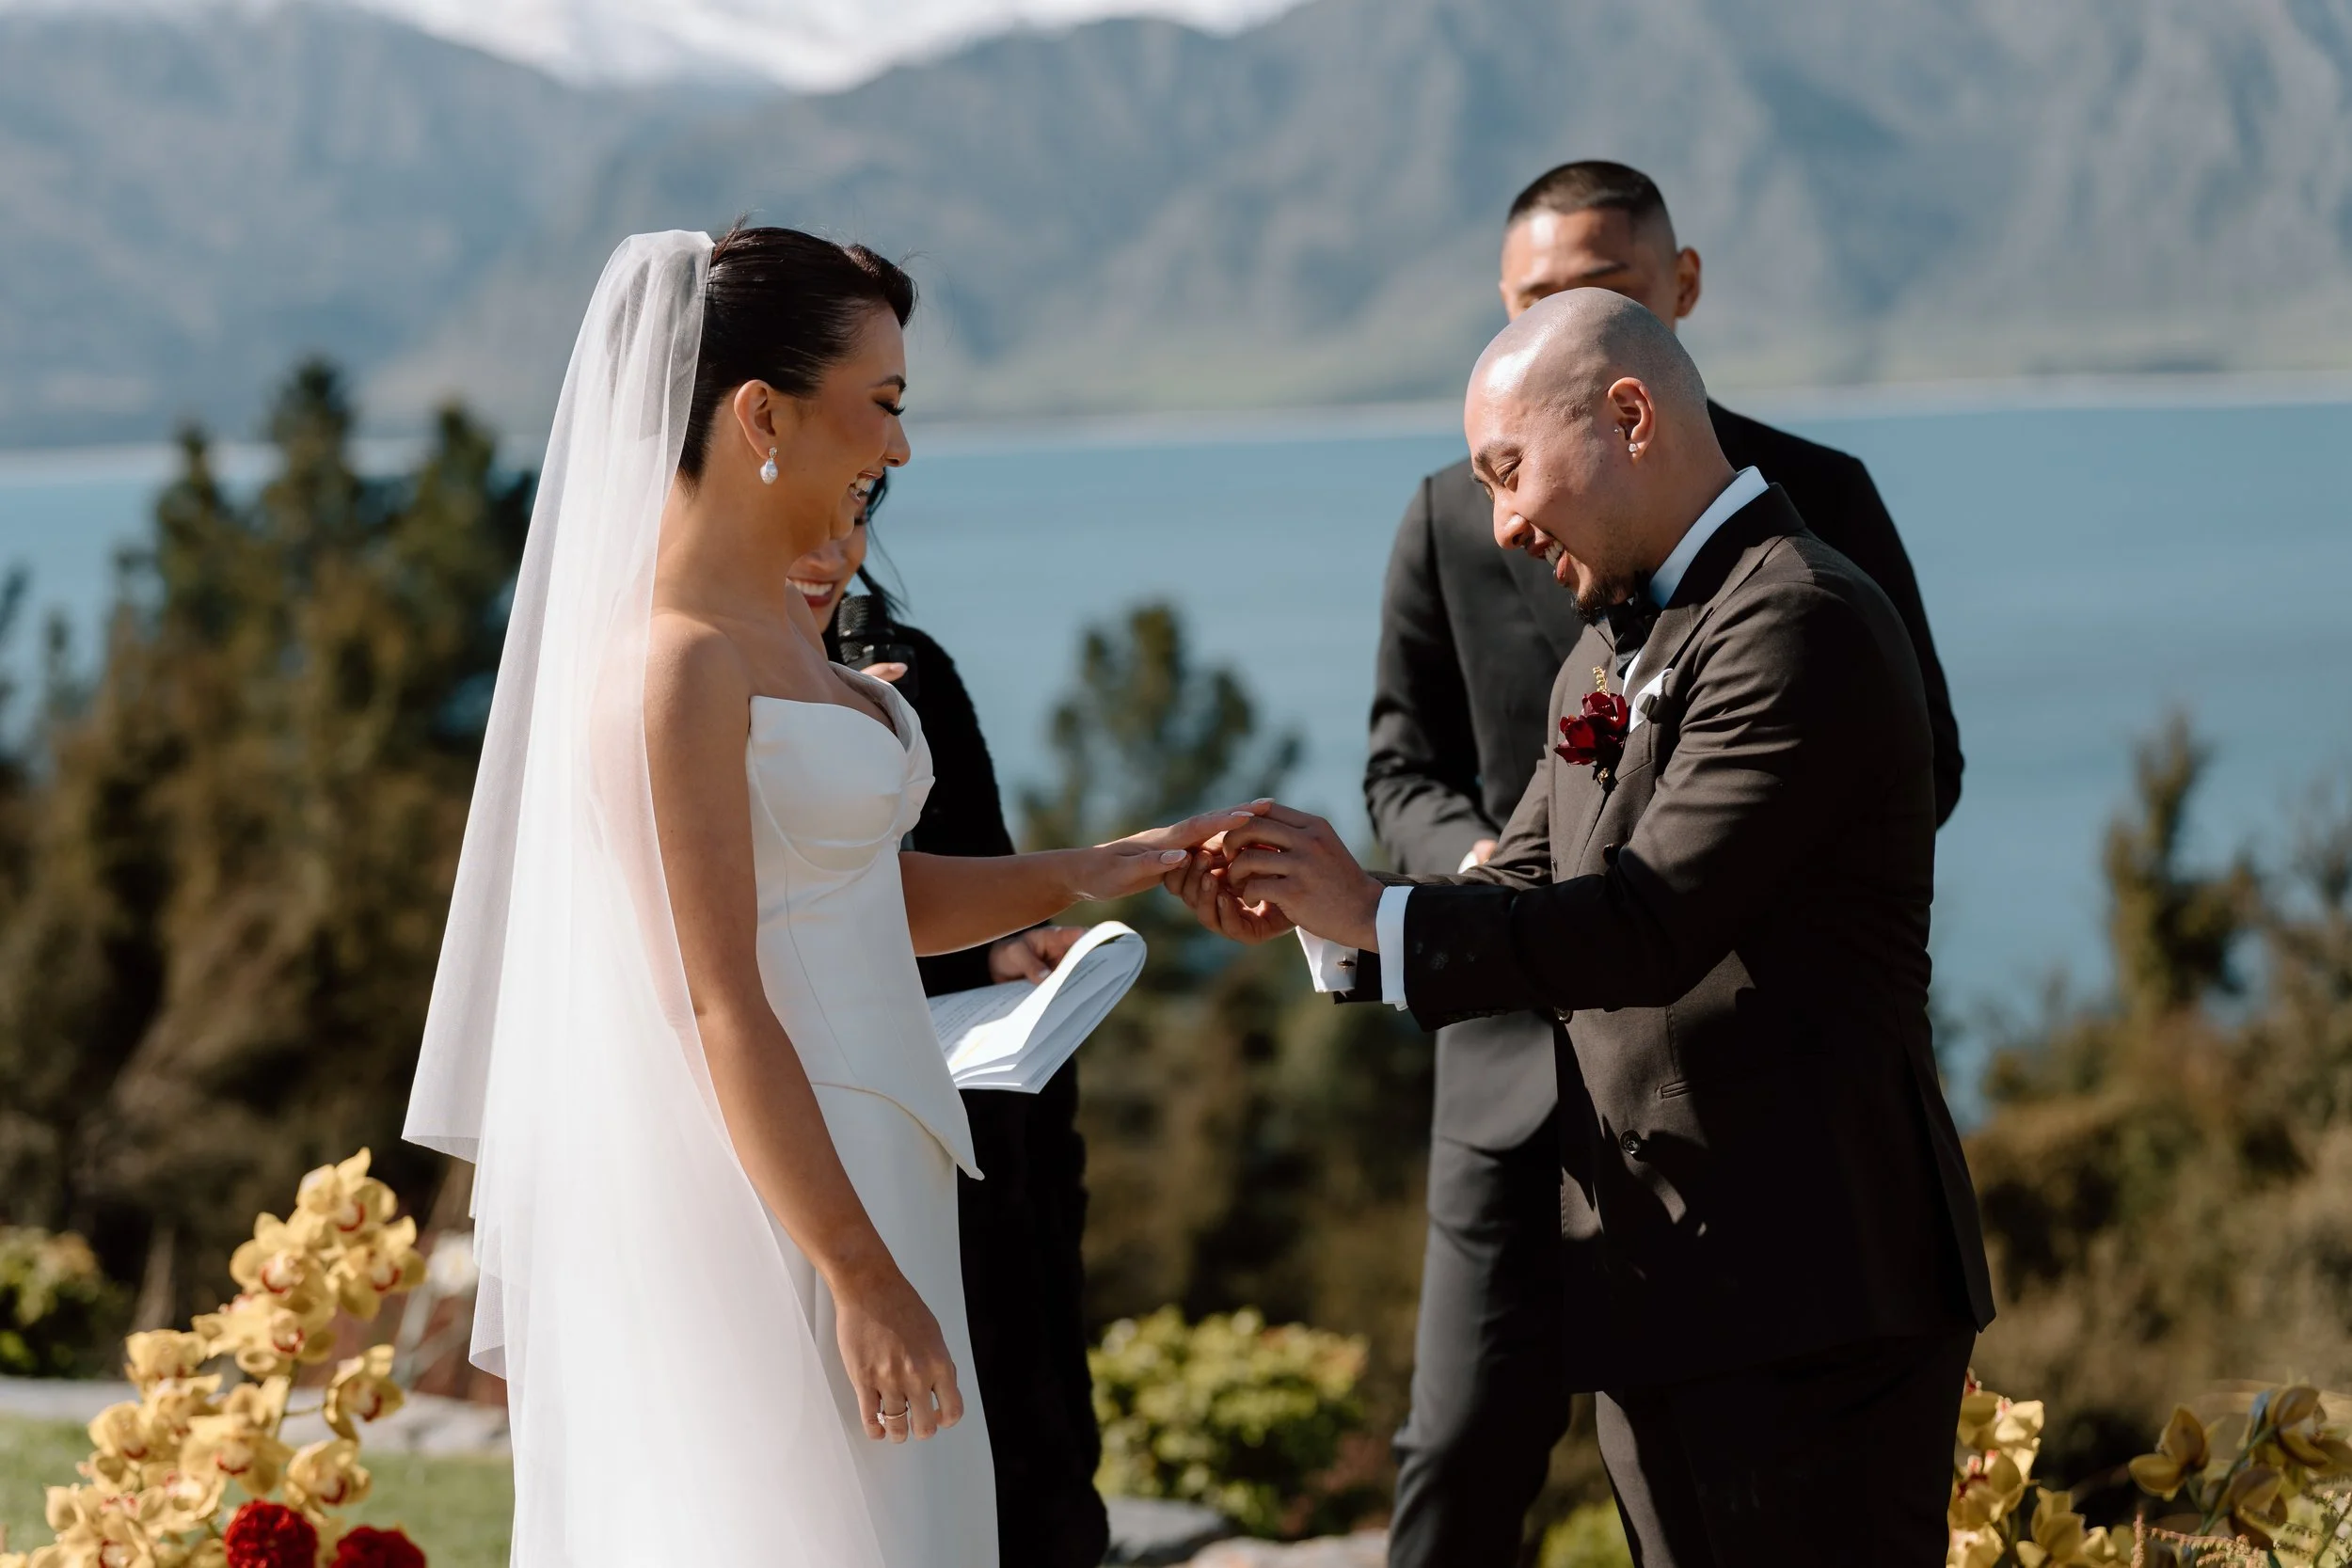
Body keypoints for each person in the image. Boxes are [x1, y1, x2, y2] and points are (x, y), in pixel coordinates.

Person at [405, 227, 1244, 1567]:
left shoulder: (786, 630)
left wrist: (1102, 865)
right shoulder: (673, 665)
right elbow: (715, 997)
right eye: (886, 403)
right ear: (761, 414)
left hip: (889, 1149)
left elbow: (861, 900)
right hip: (781, 1192)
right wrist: (854, 1267)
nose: (900, 449)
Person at [1173, 290, 1994, 1567]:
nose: (1500, 520)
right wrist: (1330, 910)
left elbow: (1644, 924)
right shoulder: (1613, 648)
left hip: (1812, 1292)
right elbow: (1532, 882)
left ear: (1629, 414)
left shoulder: (1798, 619)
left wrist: (1376, 907)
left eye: (1510, 471)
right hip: (1664, 1280)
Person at [1360, 159, 1964, 1567]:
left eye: (1595, 297)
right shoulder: (1498, 547)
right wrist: (1388, 896)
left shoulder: (1798, 560)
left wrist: (1719, 857)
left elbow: (1891, 772)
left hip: (1765, 1169)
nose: (1508, 517)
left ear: (1666, 315)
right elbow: (1416, 767)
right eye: (1528, 300)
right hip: (1540, 1097)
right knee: (1461, 1449)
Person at [790, 473, 1111, 1568]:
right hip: (778, 1142)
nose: (837, 547)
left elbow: (960, 879)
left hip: (962, 1136)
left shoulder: (912, 669)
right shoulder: (675, 677)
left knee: (1007, 1469)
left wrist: (1011, 942)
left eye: (861, 508)